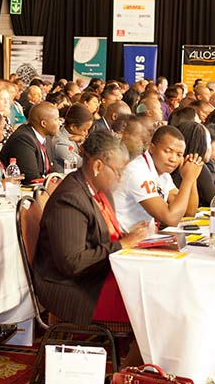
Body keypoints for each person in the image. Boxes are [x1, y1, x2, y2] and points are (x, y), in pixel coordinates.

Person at [33, 131, 150, 325]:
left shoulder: (100, 190)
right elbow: (73, 262)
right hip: (73, 287)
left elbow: (101, 238)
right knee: (147, 307)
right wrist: (123, 244)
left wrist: (130, 237)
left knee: (151, 290)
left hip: (98, 274)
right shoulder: (70, 199)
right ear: (97, 166)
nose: (121, 178)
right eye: (118, 171)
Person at [113, 125, 202, 233]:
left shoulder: (163, 173)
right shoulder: (138, 171)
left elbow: (189, 212)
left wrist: (192, 178)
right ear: (151, 148)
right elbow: (171, 219)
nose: (173, 159)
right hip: (122, 238)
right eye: (167, 151)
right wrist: (188, 179)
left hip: (144, 237)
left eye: (179, 155)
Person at [0, 102, 60, 184]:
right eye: (56, 119)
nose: (59, 123)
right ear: (44, 124)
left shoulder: (46, 137)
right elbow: (31, 178)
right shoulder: (23, 139)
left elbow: (53, 170)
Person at [52, 103, 93, 172]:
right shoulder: (61, 143)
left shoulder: (74, 137)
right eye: (84, 130)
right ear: (73, 127)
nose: (86, 133)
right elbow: (74, 165)